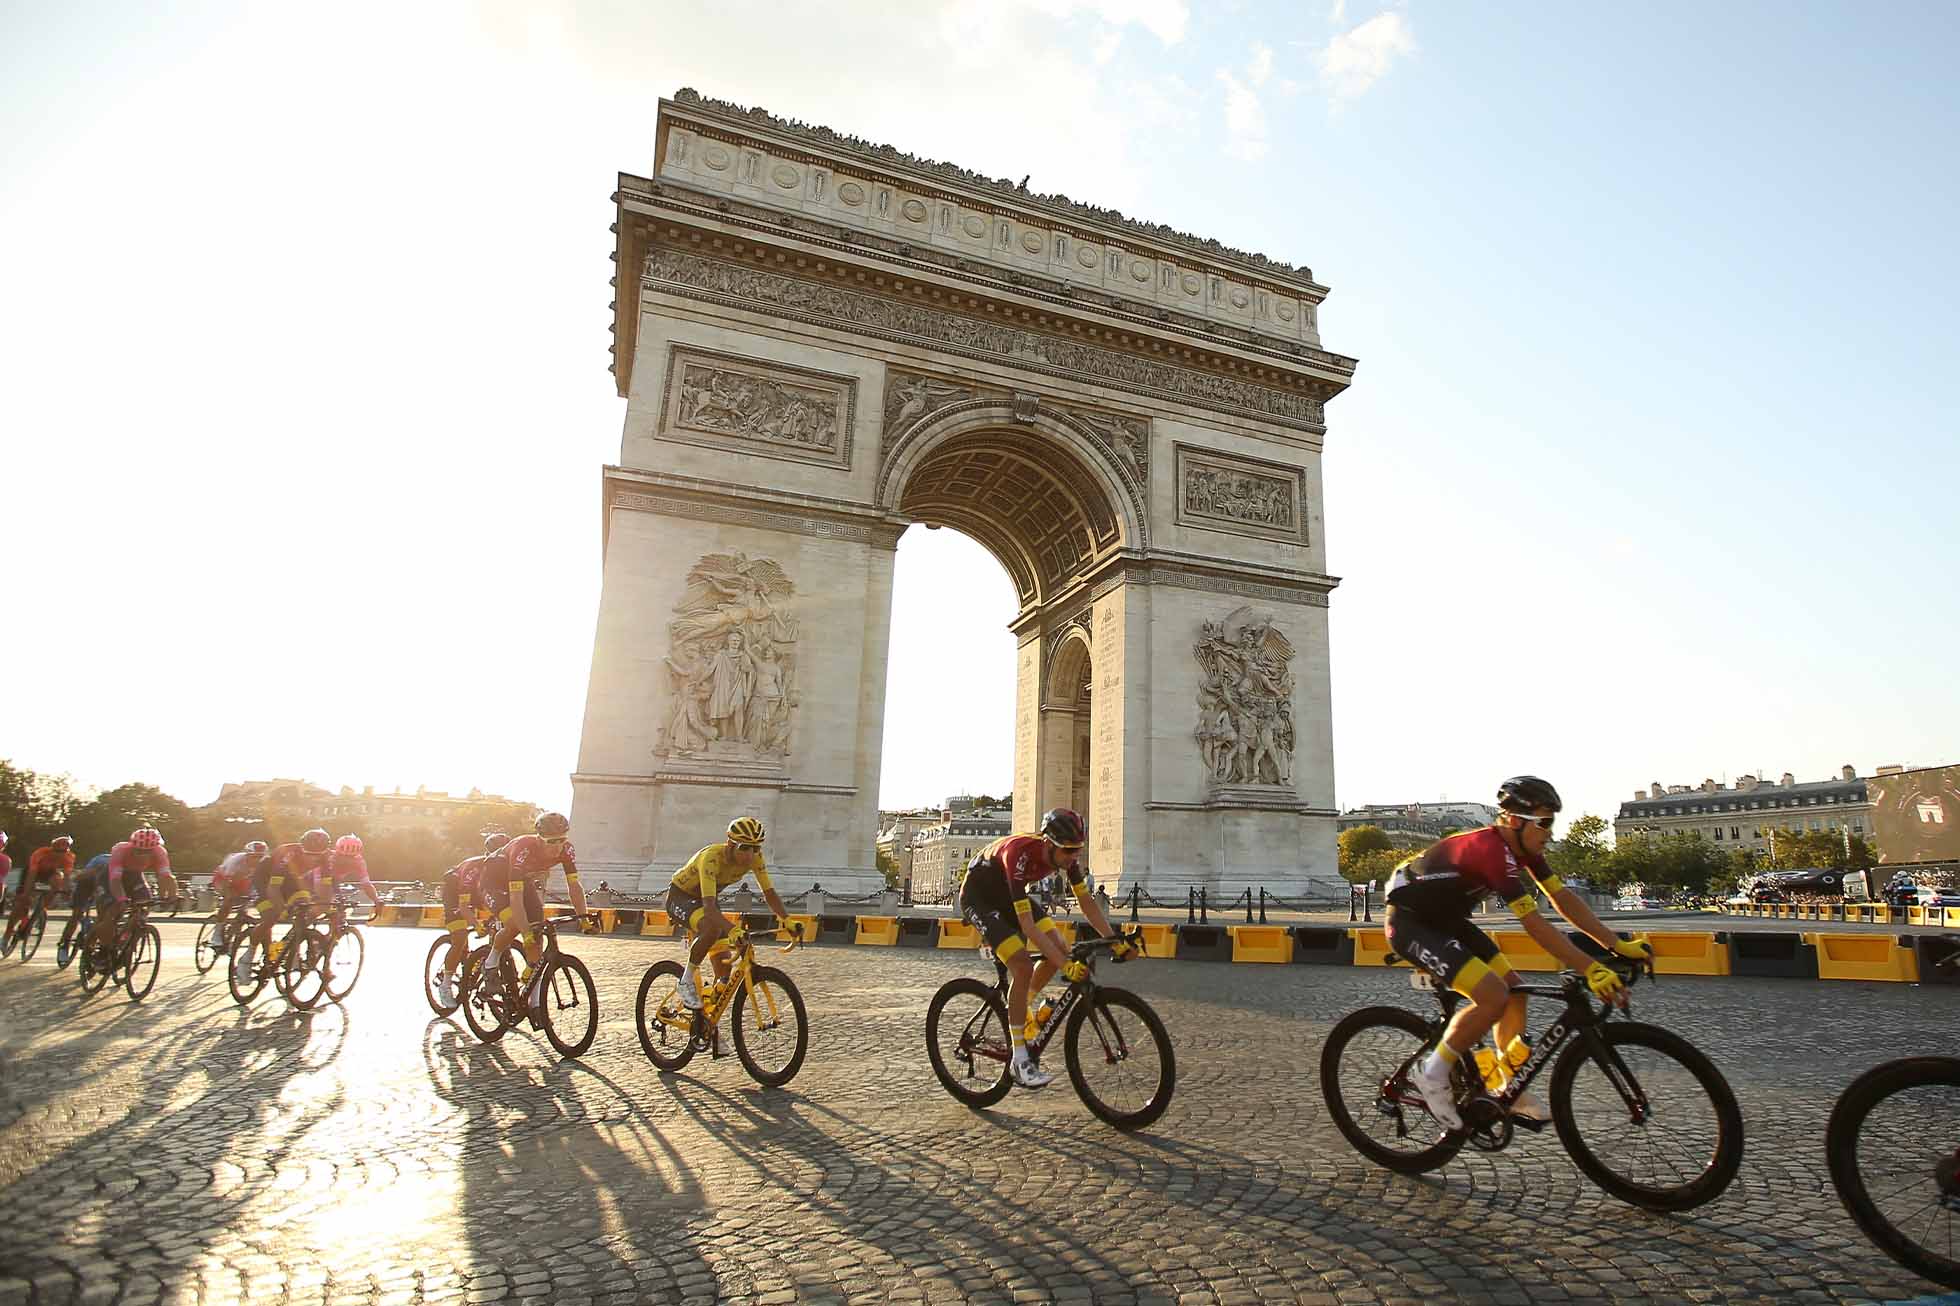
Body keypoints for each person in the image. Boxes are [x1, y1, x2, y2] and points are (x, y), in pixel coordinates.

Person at [1385, 776, 1654, 1130]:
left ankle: (1502, 1086)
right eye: (1544, 823)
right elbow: (1535, 924)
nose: (1549, 832)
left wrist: (1615, 945)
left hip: (1447, 921)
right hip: (1411, 923)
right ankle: (1431, 1072)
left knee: (1515, 992)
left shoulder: (1524, 850)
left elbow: (1563, 900)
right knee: (1493, 995)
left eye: (1551, 822)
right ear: (1515, 821)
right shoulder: (1492, 851)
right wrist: (1591, 969)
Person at [957, 807, 1138, 1089]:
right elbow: (1028, 927)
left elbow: (1087, 903)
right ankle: (1019, 1060)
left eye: (1078, 849)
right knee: (1022, 964)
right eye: (1068, 850)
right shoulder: (1018, 854)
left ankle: (1023, 1008)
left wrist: (1114, 939)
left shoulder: (1066, 859)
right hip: (979, 898)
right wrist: (1067, 967)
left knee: (1060, 948)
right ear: (1048, 843)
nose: (1073, 857)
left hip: (1007, 896)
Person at [665, 817, 797, 1010]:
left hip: (705, 900)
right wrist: (733, 929)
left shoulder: (754, 858)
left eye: (756, 848)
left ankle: (707, 1019)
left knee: (725, 968)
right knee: (712, 928)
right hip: (681, 897)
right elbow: (710, 910)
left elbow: (769, 893)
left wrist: (787, 920)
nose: (750, 855)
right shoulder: (711, 857)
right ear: (730, 844)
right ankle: (685, 982)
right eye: (744, 847)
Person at [481, 813, 591, 1014]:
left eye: (562, 840)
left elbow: (574, 885)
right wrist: (525, 933)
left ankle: (534, 1002)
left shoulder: (566, 850)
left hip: (523, 881)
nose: (557, 846)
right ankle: (490, 962)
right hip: (494, 881)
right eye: (551, 842)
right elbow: (515, 899)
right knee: (515, 924)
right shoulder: (524, 848)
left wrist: (584, 918)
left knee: (537, 941)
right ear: (540, 838)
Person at [236, 829, 333, 982]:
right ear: (302, 849)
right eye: (309, 855)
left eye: (317, 856)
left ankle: (284, 947)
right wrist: (282, 909)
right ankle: (246, 958)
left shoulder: (325, 858)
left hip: (292, 880)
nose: (313, 860)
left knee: (306, 908)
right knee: (271, 916)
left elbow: (327, 889)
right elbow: (273, 888)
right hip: (265, 879)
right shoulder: (288, 855)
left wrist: (325, 906)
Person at [433, 832, 508, 1008]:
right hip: (455, 894)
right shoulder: (474, 868)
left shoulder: (506, 868)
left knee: (497, 929)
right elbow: (464, 905)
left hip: (479, 894)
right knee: (460, 938)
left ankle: (482, 965)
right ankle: (446, 983)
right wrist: (475, 924)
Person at [93, 828, 178, 954]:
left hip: (135, 877)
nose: (143, 855)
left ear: (154, 849)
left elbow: (166, 877)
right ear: (132, 845)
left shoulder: (160, 852)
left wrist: (172, 897)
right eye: (138, 851)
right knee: (111, 913)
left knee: (144, 906)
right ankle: (103, 949)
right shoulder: (120, 850)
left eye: (148, 852)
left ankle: (127, 937)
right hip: (110, 877)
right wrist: (122, 899)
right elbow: (115, 880)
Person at [8, 835, 74, 944]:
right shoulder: (40, 853)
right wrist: (26, 893)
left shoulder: (69, 857)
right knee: (23, 901)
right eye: (57, 852)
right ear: (52, 849)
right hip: (32, 872)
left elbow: (67, 877)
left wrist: (66, 891)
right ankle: (7, 935)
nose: (59, 855)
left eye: (63, 853)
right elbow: (31, 875)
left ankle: (42, 909)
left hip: (49, 873)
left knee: (58, 878)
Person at [210, 841, 270, 940]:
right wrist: (229, 894)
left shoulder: (265, 863)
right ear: (247, 855)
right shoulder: (235, 861)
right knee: (229, 900)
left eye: (260, 857)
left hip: (243, 880)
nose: (257, 860)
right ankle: (217, 931)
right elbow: (226, 882)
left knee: (245, 905)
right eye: (254, 857)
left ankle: (234, 934)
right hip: (222, 878)